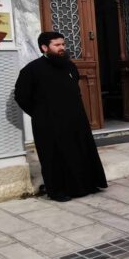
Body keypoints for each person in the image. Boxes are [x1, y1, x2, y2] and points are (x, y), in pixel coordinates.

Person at [14, 32, 107, 202]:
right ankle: (58, 191)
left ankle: (86, 185)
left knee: (80, 151)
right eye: (57, 45)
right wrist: (40, 114)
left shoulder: (69, 66)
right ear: (44, 47)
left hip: (75, 119)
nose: (62, 48)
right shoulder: (32, 70)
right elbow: (21, 97)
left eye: (63, 44)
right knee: (54, 156)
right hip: (49, 122)